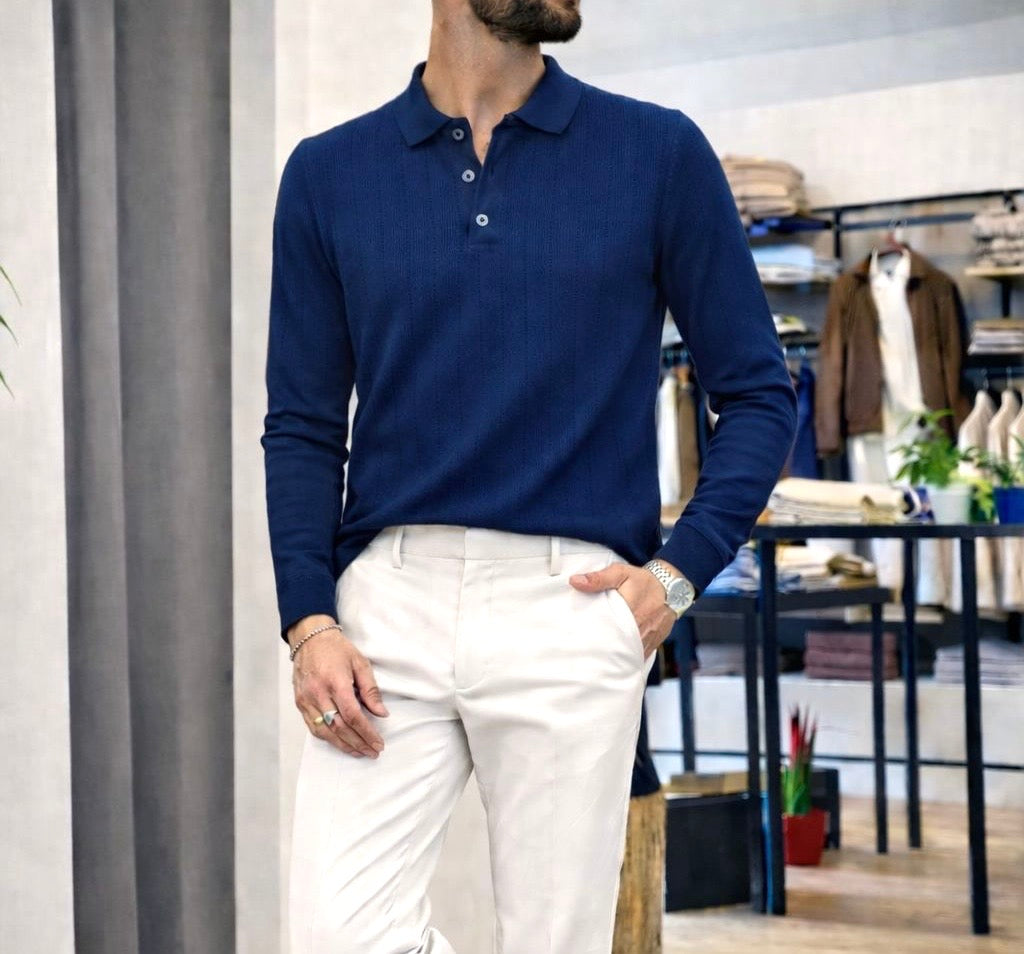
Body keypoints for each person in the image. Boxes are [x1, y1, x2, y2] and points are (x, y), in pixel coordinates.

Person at [261, 1, 797, 951]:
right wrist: (309, 622)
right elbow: (303, 425)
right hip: (386, 607)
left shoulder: (658, 154)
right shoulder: (328, 174)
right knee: (338, 935)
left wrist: (675, 580)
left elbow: (758, 395)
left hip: (573, 605)